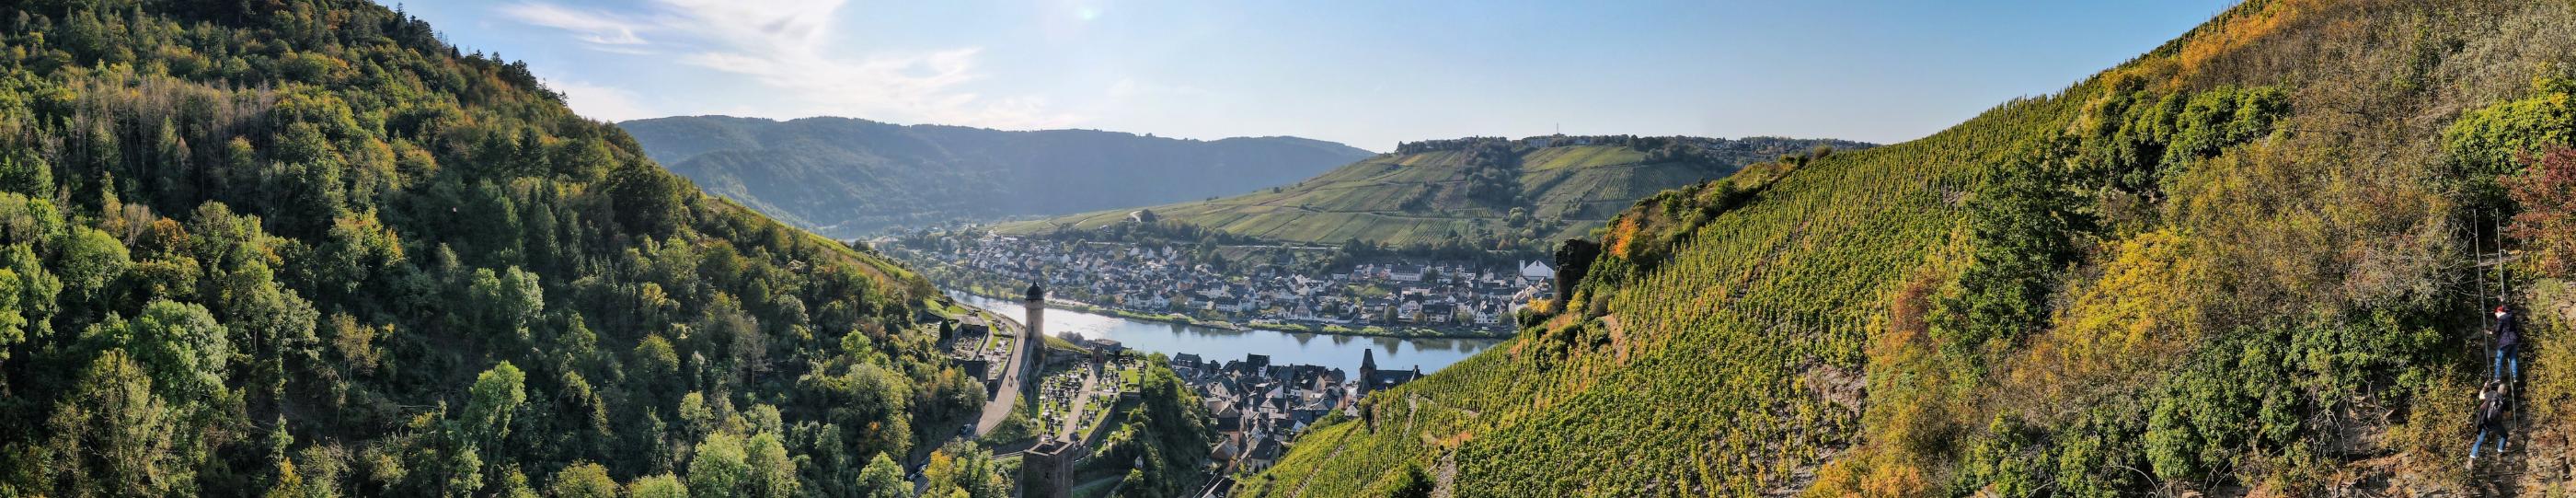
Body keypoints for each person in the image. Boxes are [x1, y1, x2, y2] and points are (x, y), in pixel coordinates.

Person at [2470, 379, 2510, 461]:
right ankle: (2500, 453)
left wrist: (2485, 387)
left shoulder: (2491, 393)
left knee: (2480, 441)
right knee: (2504, 435)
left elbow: (2480, 396)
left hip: (2485, 422)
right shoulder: (2504, 401)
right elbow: (2508, 415)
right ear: (2505, 391)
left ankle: (2471, 460)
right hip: (2495, 424)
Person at [2493, 306, 2521, 382]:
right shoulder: (2511, 316)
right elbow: (2509, 310)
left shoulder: (2501, 318)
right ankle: (2515, 377)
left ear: (2499, 312)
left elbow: (2497, 330)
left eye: (2496, 315)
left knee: (2499, 359)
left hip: (2506, 341)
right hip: (2515, 340)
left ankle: (2497, 377)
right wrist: (2503, 302)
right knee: (2513, 358)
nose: (2497, 317)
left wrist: (2490, 332)